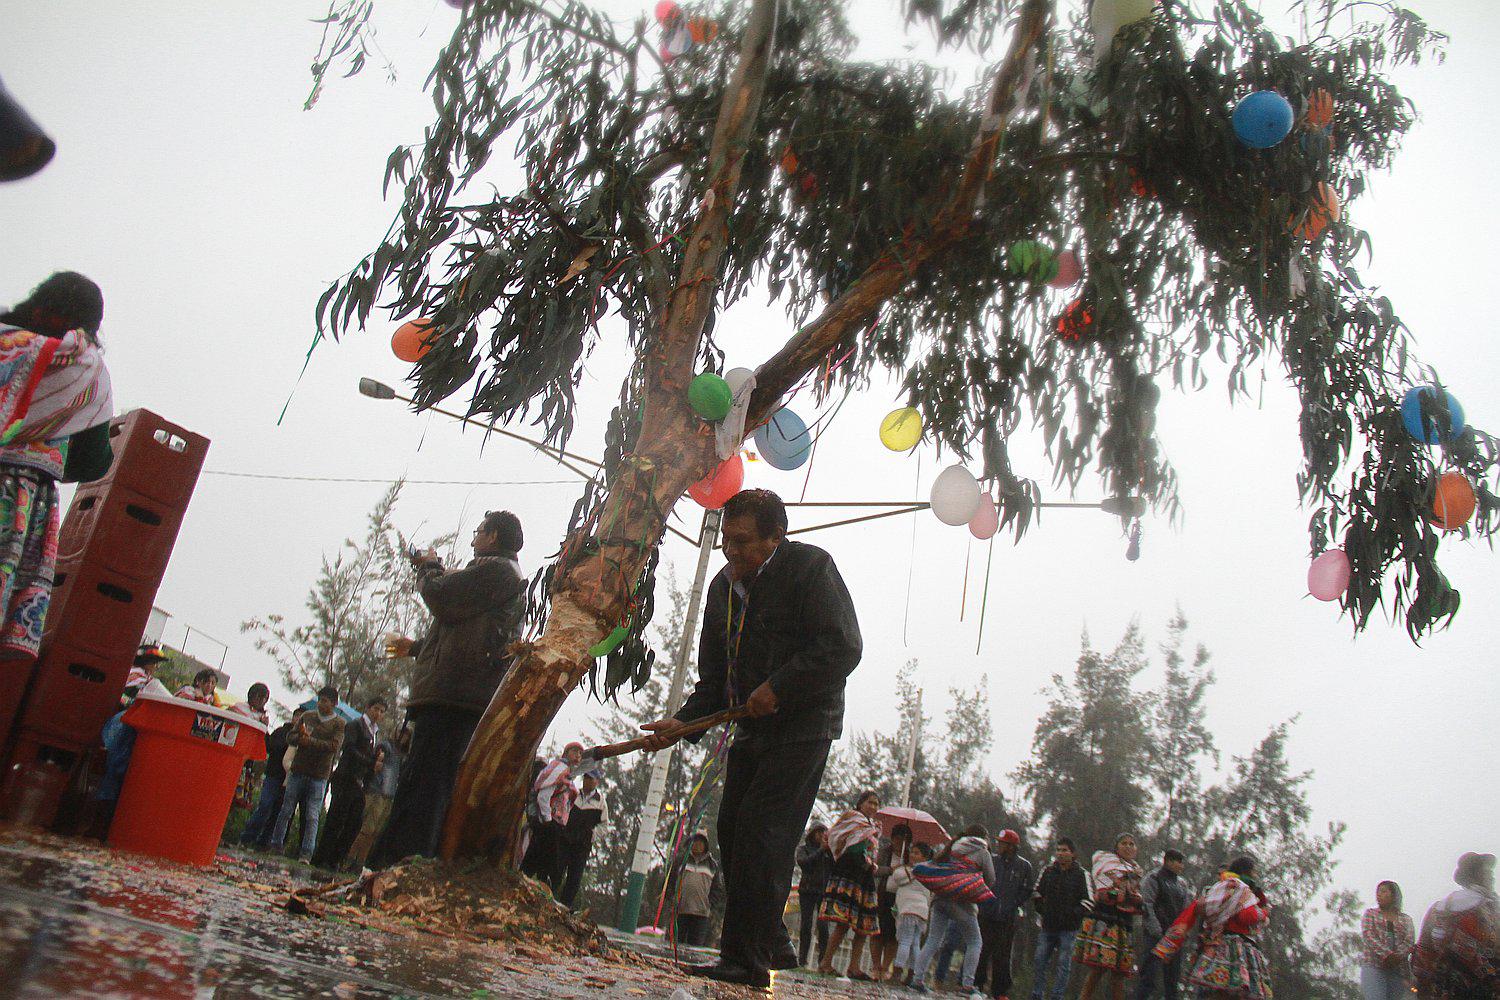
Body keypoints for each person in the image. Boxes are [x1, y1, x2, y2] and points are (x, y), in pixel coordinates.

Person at [639, 488, 862, 989]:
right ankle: (765, 937)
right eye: (725, 542)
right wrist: (683, 722)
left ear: (774, 537)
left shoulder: (810, 569)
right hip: (752, 726)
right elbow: (715, 680)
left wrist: (780, 688)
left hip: (805, 726)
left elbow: (843, 645)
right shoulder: (722, 589)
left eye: (741, 542)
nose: (730, 552)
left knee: (765, 832)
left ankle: (746, 960)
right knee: (733, 830)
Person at [371, 510, 527, 867]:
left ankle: (403, 865)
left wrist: (427, 567)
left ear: (493, 537)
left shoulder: (498, 572)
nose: (473, 539)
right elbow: (469, 628)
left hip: (456, 697)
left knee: (426, 786)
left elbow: (442, 598)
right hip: (456, 695)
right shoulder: (495, 573)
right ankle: (396, 863)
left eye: (478, 532)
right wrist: (418, 647)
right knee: (422, 783)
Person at [0, 273, 113, 678]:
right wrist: (39, 451)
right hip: (16, 506)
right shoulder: (84, 371)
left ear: (38, 304)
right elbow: (94, 460)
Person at [1154, 856, 1272, 1000]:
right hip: (1234, 948)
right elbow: (1246, 916)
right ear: (1247, 872)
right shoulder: (1241, 889)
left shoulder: (1219, 887)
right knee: (1234, 993)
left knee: (1215, 992)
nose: (1256, 875)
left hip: (1214, 945)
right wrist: (1264, 912)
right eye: (1254, 872)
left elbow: (1200, 909)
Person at [909, 823, 995, 997]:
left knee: (933, 940)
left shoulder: (953, 846)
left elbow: (937, 864)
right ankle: (967, 985)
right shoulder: (983, 852)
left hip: (939, 900)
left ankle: (917, 980)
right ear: (984, 838)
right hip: (962, 902)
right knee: (975, 942)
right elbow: (991, 879)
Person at [269, 686, 345, 862]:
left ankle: (306, 853)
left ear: (334, 704)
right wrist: (299, 738)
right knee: (286, 810)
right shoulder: (307, 716)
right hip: (299, 770)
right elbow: (291, 736)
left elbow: (334, 746)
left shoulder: (339, 724)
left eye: (325, 701)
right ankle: (276, 844)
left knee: (312, 816)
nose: (321, 704)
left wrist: (309, 741)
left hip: (319, 775)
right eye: (320, 700)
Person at [311, 697, 386, 870]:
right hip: (346, 778)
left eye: (382, 711)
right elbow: (350, 749)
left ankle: (336, 859)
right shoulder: (355, 725)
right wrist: (370, 763)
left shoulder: (375, 733)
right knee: (336, 819)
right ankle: (323, 857)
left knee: (353, 823)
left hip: (359, 782)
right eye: (376, 709)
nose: (378, 714)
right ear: (368, 708)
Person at [1413, 852, 1500, 999]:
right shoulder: (1489, 908)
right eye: (1488, 871)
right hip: (1486, 986)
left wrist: (1422, 986)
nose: (1492, 877)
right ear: (1476, 874)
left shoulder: (1439, 908)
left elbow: (1424, 950)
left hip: (1445, 986)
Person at [818, 791, 883, 980]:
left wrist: (871, 864)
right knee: (843, 923)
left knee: (863, 925)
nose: (873, 807)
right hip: (848, 874)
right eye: (870, 802)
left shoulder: (873, 827)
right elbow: (840, 841)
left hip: (865, 878)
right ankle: (826, 963)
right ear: (860, 803)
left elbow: (869, 851)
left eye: (876, 804)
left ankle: (854, 967)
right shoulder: (853, 819)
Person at [1077, 834, 1145, 1000]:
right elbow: (1102, 892)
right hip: (1105, 919)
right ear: (1117, 847)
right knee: (1099, 967)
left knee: (1119, 971)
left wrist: (1135, 898)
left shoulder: (1136, 871)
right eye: (1124, 843)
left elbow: (1137, 898)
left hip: (1124, 923)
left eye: (1132, 844)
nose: (1128, 847)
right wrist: (1121, 894)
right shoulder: (1106, 863)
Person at [977, 828, 1034, 1000]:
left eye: (1002, 843)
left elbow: (1027, 889)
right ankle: (977, 984)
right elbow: (981, 879)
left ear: (1011, 846)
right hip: (987, 913)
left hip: (1008, 918)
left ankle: (1000, 991)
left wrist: (1014, 903)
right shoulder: (992, 861)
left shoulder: (1024, 866)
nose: (998, 845)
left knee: (1002, 955)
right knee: (982, 950)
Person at [1032, 837, 1090, 1000]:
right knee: (1039, 961)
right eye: (1058, 850)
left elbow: (1088, 901)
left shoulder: (1081, 875)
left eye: (1064, 850)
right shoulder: (1048, 871)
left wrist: (1073, 914)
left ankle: (1057, 996)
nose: (1060, 853)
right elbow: (1037, 892)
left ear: (1073, 854)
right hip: (1048, 926)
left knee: (1063, 965)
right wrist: (1043, 909)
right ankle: (1037, 995)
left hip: (1069, 929)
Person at [520, 742, 581, 893]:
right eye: (575, 751)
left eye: (580, 753)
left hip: (554, 822)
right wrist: (547, 820)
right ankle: (536, 887)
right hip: (549, 821)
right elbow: (543, 795)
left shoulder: (567, 772)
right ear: (566, 753)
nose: (578, 755)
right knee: (547, 860)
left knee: (538, 855)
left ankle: (530, 885)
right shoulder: (559, 768)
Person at [1135, 848, 1192, 1000]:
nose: (1181, 866)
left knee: (1172, 980)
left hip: (1174, 937)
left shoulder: (1182, 884)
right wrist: (1156, 930)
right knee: (1149, 976)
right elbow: (1147, 904)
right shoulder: (1153, 878)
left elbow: (1186, 910)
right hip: (1156, 935)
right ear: (1168, 861)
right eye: (1178, 862)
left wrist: (1182, 932)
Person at [347, 726, 406, 871]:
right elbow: (375, 764)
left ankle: (360, 862)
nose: (403, 737)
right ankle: (349, 860)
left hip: (390, 794)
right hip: (377, 791)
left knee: (375, 832)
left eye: (406, 735)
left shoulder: (403, 754)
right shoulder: (386, 746)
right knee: (367, 828)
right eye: (401, 733)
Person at [240, 710, 299, 850]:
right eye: (297, 716)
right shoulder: (281, 732)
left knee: (278, 811)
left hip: (288, 779)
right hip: (273, 774)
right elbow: (270, 746)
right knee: (265, 805)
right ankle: (248, 836)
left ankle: (264, 841)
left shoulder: (303, 738)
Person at [558, 771, 609, 908]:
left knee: (574, 877)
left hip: (582, 846)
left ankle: (564, 907)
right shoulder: (573, 794)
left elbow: (604, 826)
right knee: (557, 869)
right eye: (586, 778)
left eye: (591, 779)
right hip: (565, 839)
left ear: (597, 781)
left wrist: (591, 834)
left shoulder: (600, 802)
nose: (588, 781)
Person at [1360, 880, 1415, 1000]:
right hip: (1374, 965)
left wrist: (1396, 957)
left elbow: (1409, 941)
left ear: (1394, 895)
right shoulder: (1370, 914)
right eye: (1378, 892)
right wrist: (1387, 955)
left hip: (1398, 969)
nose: (1379, 895)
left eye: (1383, 891)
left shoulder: (1406, 919)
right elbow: (1369, 936)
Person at [891, 841, 935, 986]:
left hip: (909, 909)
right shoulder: (930, 873)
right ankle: (912, 974)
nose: (911, 855)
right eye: (911, 852)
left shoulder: (909, 871)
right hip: (922, 912)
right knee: (915, 943)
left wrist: (903, 867)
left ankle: (897, 973)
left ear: (924, 857)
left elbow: (897, 878)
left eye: (916, 853)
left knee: (904, 941)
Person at [874, 823, 915, 980]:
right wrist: (892, 869)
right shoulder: (885, 852)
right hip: (883, 895)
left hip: (901, 899)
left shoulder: (910, 856)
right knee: (878, 932)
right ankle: (876, 966)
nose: (901, 843)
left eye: (905, 840)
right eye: (898, 839)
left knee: (893, 935)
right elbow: (876, 870)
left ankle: (886, 967)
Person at [674, 832, 721, 948]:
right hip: (680, 911)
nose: (697, 845)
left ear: (706, 845)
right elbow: (670, 880)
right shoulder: (681, 860)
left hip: (701, 914)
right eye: (695, 842)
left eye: (701, 842)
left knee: (695, 948)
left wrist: (709, 903)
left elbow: (717, 889)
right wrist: (672, 898)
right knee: (675, 945)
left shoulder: (712, 865)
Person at [796, 824, 833, 968]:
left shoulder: (828, 853)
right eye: (818, 833)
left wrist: (828, 851)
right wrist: (820, 851)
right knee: (806, 925)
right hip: (807, 890)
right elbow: (804, 863)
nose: (821, 836)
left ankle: (822, 960)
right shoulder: (804, 849)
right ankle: (802, 959)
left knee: (823, 926)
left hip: (823, 892)